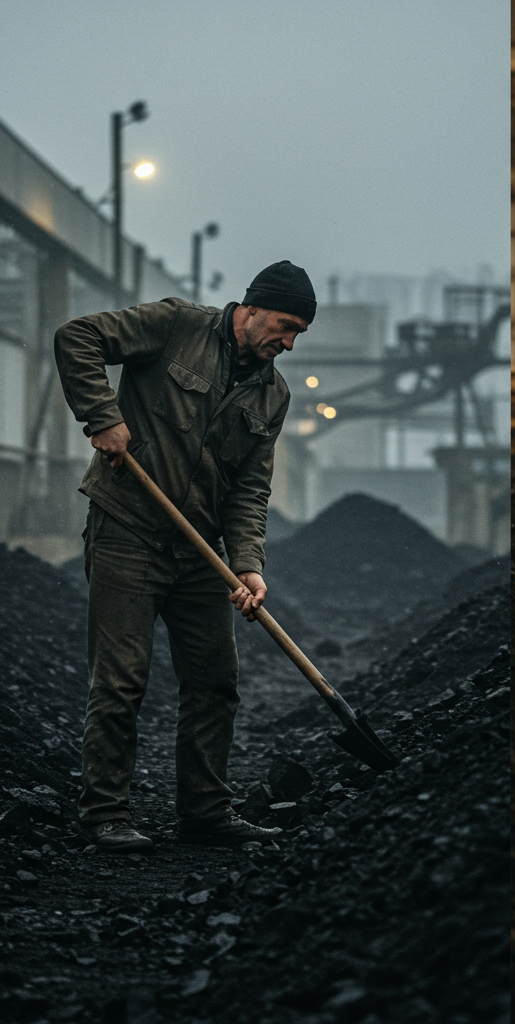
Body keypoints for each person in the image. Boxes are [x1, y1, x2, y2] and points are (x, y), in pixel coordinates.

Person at [54, 260, 317, 851]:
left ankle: (205, 810)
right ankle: (104, 814)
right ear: (249, 309)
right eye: (283, 324)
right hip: (128, 531)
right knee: (121, 681)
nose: (289, 342)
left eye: (299, 332)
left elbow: (250, 487)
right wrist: (103, 416)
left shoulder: (272, 394)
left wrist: (248, 563)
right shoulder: (175, 326)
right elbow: (78, 337)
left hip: (201, 551)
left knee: (215, 681)